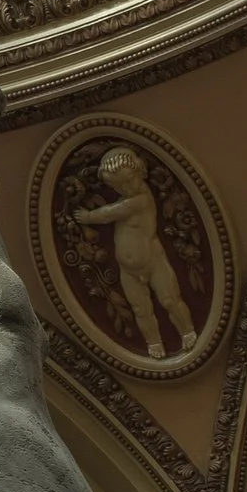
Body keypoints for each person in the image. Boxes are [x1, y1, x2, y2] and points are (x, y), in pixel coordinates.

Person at [76, 142, 198, 362]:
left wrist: (88, 217)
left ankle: (187, 331)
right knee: (140, 309)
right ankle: (153, 342)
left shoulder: (141, 199)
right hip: (128, 269)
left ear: (140, 172)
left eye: (129, 180)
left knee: (170, 300)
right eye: (119, 187)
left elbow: (110, 213)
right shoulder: (128, 198)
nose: (126, 189)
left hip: (154, 262)